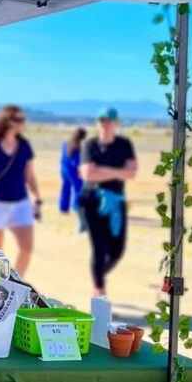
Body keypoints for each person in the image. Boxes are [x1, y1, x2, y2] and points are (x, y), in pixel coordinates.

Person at [0, 105, 42, 277]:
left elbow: (30, 176)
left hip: (20, 202)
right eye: (17, 119)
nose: (21, 123)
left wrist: (36, 196)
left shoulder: (24, 145)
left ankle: (16, 284)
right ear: (6, 121)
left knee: (26, 247)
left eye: (22, 119)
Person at [79, 107, 137, 297]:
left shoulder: (124, 144)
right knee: (99, 247)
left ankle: (97, 276)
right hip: (92, 200)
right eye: (101, 120)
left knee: (117, 251)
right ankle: (99, 293)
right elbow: (88, 174)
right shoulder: (90, 145)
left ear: (116, 123)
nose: (105, 124)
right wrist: (118, 172)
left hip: (117, 201)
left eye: (109, 120)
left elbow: (132, 172)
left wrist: (102, 171)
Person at [59, 128, 87, 214]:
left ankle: (63, 208)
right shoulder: (77, 148)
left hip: (63, 168)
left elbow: (62, 158)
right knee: (78, 188)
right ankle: (76, 208)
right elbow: (76, 162)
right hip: (72, 170)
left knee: (65, 187)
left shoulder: (65, 144)